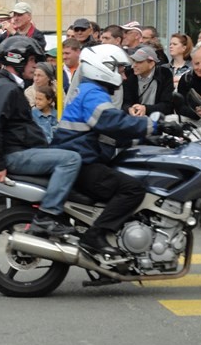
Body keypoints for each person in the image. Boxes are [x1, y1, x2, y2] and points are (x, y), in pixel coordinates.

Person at [52, 45, 157, 255]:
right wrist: (153, 125)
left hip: (80, 157)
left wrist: (150, 136)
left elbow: (109, 131)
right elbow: (113, 122)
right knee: (133, 189)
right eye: (120, 70)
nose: (124, 77)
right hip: (81, 162)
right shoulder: (93, 94)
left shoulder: (89, 90)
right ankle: (95, 236)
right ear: (104, 67)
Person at [0, 36, 82, 236]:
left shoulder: (9, 86)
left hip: (21, 150)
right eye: (32, 61)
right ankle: (48, 215)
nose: (35, 66)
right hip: (15, 154)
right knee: (71, 160)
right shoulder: (5, 88)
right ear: (18, 59)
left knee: (69, 152)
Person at [123, 45, 174, 117]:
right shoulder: (129, 74)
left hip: (157, 118)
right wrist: (129, 109)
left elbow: (167, 105)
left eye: (139, 62)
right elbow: (125, 102)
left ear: (151, 64)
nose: (133, 65)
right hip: (134, 118)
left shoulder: (165, 74)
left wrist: (146, 109)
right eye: (134, 61)